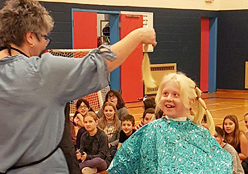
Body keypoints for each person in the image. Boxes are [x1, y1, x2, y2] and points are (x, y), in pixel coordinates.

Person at [0, 0, 157, 173]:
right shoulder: (40, 71)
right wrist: (138, 35)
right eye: (44, 37)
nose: (46, 43)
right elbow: (102, 62)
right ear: (30, 37)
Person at [107, 72, 232, 173]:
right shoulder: (151, 130)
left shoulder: (200, 133)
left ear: (190, 102)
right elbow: (124, 161)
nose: (169, 98)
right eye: (165, 93)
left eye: (176, 94)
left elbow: (220, 163)